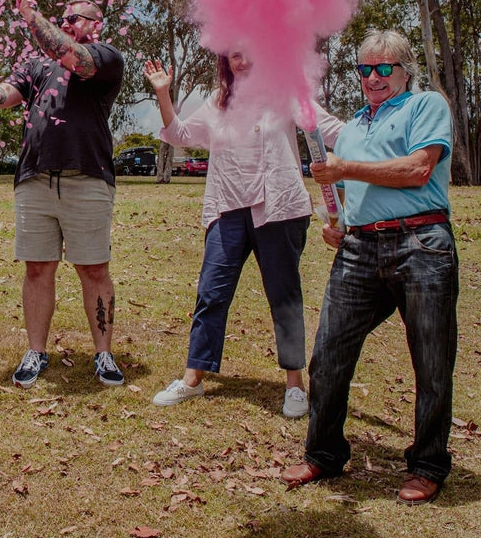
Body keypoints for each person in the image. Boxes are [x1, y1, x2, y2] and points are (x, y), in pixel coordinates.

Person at [282, 29, 457, 506]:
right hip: (358, 248)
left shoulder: (426, 106)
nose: (374, 77)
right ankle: (324, 453)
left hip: (421, 243)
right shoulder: (356, 124)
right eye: (365, 69)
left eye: (385, 68)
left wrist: (344, 170)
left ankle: (427, 464)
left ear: (406, 70)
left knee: (432, 360)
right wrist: (335, 222)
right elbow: (344, 188)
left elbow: (418, 169)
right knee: (329, 352)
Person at [145, 52, 343, 417]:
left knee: (284, 297)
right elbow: (180, 135)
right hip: (228, 208)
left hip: (279, 208)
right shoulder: (218, 102)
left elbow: (327, 128)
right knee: (211, 293)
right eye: (233, 52)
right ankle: (193, 379)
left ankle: (295, 385)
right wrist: (163, 94)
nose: (242, 58)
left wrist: (372, 142)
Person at [0, 0, 125, 389]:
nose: (65, 23)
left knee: (94, 269)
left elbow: (73, 57)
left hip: (88, 178)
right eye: (62, 18)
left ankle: (103, 353)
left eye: (74, 18)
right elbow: (8, 94)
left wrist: (32, 16)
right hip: (35, 179)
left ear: (95, 26)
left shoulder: (105, 58)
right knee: (37, 268)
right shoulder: (35, 66)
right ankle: (36, 351)